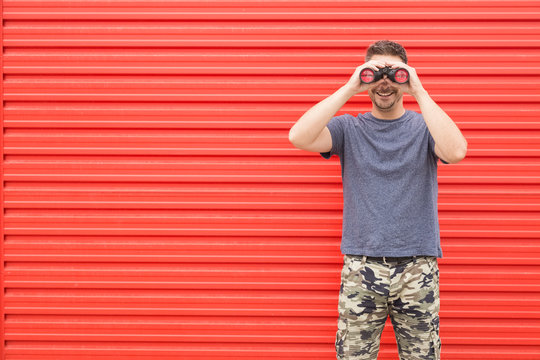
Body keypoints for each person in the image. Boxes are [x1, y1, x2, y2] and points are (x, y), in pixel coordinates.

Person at [288, 40, 468, 359]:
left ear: (406, 78)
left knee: (423, 356)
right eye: (375, 73)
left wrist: (419, 91)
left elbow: (456, 152)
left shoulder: (426, 128)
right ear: (365, 78)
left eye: (394, 73)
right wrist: (349, 87)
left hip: (417, 265)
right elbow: (298, 137)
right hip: (361, 265)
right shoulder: (349, 128)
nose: (385, 82)